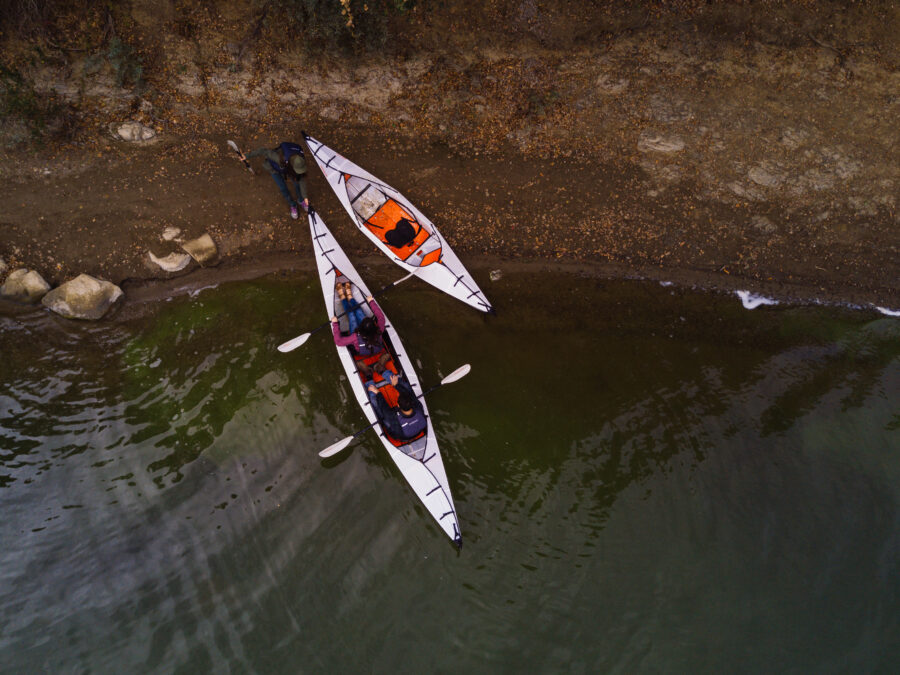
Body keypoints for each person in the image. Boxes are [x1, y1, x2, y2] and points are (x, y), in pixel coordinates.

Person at [331, 289, 391, 376]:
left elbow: (338, 342)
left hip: (362, 352)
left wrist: (335, 324)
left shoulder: (355, 337)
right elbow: (381, 317)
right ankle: (350, 297)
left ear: (360, 327)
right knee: (359, 312)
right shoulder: (379, 329)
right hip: (376, 349)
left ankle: (343, 298)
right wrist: (371, 302)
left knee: (352, 315)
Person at [245, 142, 309, 219]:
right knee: (283, 188)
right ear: (292, 166)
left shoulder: (301, 161)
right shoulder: (279, 158)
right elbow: (263, 151)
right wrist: (247, 156)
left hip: (288, 169)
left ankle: (301, 200)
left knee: (297, 183)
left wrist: (305, 197)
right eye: (298, 170)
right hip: (275, 169)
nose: (300, 172)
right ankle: (292, 205)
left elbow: (301, 179)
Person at [367, 372, 427, 441]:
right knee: (408, 390)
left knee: (380, 410)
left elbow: (383, 406)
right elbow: (409, 394)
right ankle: (383, 371)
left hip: (399, 436)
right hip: (418, 431)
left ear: (398, 405)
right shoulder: (417, 406)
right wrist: (396, 385)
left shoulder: (393, 416)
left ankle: (369, 378)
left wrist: (377, 392)